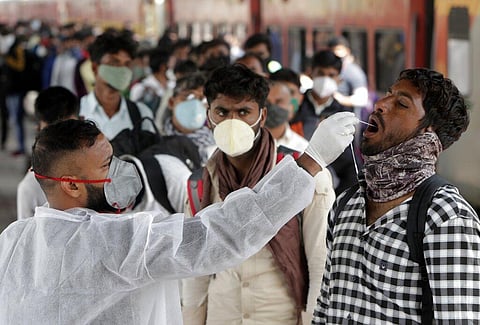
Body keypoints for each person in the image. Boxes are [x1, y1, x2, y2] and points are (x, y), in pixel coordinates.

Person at [0, 107, 358, 324]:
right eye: (108, 165)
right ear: (72, 186)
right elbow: (221, 235)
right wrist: (310, 161)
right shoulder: (117, 242)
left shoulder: (13, 240)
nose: (122, 171)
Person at [312, 68, 479, 324]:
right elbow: (325, 306)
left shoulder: (446, 218)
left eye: (401, 103)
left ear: (427, 136)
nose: (379, 104)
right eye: (387, 95)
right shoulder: (346, 203)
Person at [181, 64, 341, 325]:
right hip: (222, 316)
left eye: (244, 112)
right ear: (208, 117)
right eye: (222, 112)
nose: (232, 123)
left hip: (279, 317)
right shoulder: (201, 183)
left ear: (262, 116)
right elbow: (195, 269)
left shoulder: (305, 177)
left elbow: (320, 263)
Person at [292, 49, 357, 195]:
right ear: (310, 73)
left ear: (339, 79)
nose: (325, 79)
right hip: (293, 180)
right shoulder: (295, 106)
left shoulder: (343, 115)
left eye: (331, 75)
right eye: (321, 74)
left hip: (329, 188)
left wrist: (336, 198)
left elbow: (350, 163)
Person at [16, 86, 79, 220]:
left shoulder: (94, 171)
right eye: (52, 131)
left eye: (66, 129)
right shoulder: (30, 187)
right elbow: (26, 237)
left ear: (81, 122)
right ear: (38, 129)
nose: (59, 139)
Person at [79, 30, 154, 141]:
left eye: (127, 64)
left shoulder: (141, 114)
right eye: (114, 62)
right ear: (95, 68)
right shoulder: (78, 112)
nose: (122, 70)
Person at [160, 72, 216, 164]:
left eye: (202, 99)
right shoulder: (157, 139)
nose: (196, 105)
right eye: (189, 97)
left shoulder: (217, 147)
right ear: (171, 102)